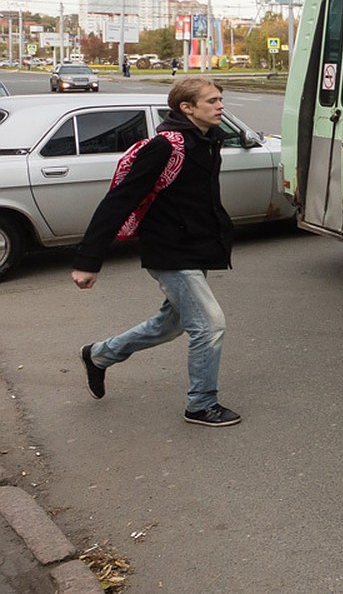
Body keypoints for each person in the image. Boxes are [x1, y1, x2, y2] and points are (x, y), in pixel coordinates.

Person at [74, 76, 241, 427]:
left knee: (172, 323)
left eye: (220, 99)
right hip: (169, 250)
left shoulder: (209, 140)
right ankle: (200, 404)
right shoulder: (166, 146)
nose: (220, 105)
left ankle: (99, 355)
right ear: (187, 107)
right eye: (212, 101)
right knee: (209, 325)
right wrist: (89, 262)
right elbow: (119, 200)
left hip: (193, 246)